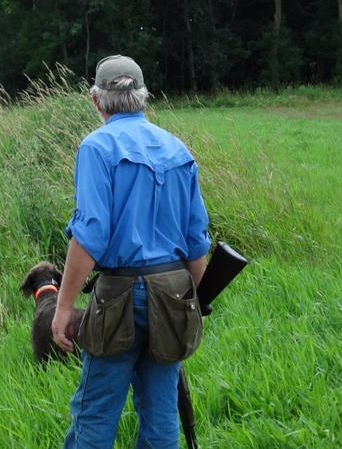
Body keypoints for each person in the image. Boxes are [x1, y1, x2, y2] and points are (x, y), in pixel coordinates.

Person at [51, 55, 211, 449]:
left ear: (96, 100)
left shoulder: (96, 147)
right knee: (160, 418)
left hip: (119, 295)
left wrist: (64, 306)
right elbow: (195, 241)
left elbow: (90, 236)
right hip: (175, 290)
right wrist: (197, 301)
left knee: (95, 415)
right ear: (143, 98)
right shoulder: (177, 148)